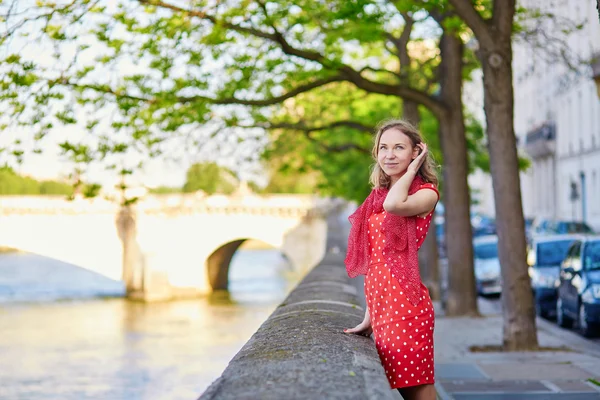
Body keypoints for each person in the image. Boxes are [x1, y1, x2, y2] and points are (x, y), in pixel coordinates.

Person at [343, 119, 439, 400]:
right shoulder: (377, 196)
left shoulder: (425, 193)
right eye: (383, 147)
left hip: (407, 310)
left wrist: (411, 171)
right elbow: (376, 260)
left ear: (415, 153)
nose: (389, 154)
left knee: (417, 393)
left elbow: (394, 206)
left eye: (399, 147)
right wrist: (368, 318)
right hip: (383, 309)